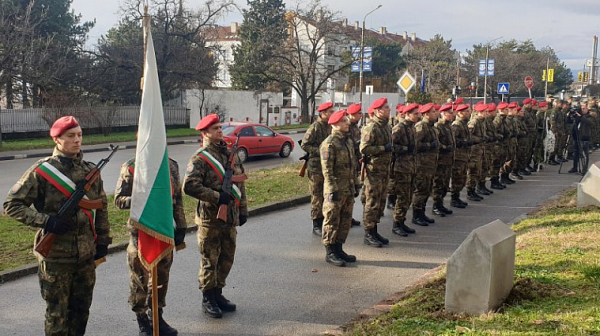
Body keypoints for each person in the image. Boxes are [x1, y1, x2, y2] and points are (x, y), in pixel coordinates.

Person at [4, 116, 111, 336]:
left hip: (85, 255)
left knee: (81, 311)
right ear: (57, 139)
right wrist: (46, 221)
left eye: (79, 135)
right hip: (55, 256)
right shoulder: (42, 171)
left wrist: (102, 240)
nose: (77, 140)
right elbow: (12, 205)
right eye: (70, 136)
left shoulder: (90, 171)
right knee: (57, 315)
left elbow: (101, 207)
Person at [183, 114, 248, 319]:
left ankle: (218, 293)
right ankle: (208, 298)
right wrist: (216, 197)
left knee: (227, 257)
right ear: (205, 133)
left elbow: (240, 183)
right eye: (215, 129)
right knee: (210, 259)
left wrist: (243, 209)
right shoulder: (200, 158)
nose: (220, 131)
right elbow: (190, 186)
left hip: (230, 216)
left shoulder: (230, 154)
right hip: (210, 218)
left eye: (220, 127)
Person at [115, 155, 187, 335]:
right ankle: (142, 321)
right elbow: (119, 200)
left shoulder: (171, 165)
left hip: (164, 230)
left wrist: (181, 225)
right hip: (141, 233)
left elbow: (177, 198)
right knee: (140, 279)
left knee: (162, 276)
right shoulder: (130, 166)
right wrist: (143, 199)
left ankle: (157, 316)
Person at [320, 110, 360, 266]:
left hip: (348, 188)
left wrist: (356, 183)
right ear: (335, 125)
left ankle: (339, 248)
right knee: (332, 220)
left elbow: (353, 165)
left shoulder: (347, 141)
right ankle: (330, 251)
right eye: (344, 121)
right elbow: (327, 170)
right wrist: (331, 190)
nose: (347, 123)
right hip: (336, 189)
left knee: (345, 219)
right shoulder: (329, 144)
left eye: (346, 120)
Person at [360, 97, 392, 247]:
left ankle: (375, 230)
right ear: (378, 111)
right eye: (386, 108)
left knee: (381, 201)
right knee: (372, 202)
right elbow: (364, 149)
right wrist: (382, 149)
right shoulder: (371, 127)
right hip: (374, 171)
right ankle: (368, 233)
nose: (389, 110)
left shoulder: (386, 126)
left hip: (384, 170)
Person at [300, 102, 333, 236]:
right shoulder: (315, 127)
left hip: (326, 167)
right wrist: (320, 151)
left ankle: (324, 220)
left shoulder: (330, 127)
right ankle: (316, 223)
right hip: (315, 167)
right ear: (323, 113)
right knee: (317, 196)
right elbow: (304, 145)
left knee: (325, 195)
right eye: (330, 111)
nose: (332, 113)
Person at [390, 103, 419, 236]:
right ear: (407, 114)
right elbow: (392, 147)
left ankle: (402, 221)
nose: (417, 116)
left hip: (411, 166)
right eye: (415, 113)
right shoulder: (399, 128)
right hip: (401, 168)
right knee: (402, 196)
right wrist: (405, 149)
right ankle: (396, 224)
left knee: (408, 196)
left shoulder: (412, 127)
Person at [412, 103, 440, 225]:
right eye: (433, 112)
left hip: (430, 164)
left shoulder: (432, 127)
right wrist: (429, 145)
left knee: (427, 189)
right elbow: (416, 145)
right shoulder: (421, 127)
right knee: (420, 190)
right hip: (422, 165)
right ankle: (416, 215)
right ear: (426, 114)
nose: (436, 114)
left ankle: (422, 212)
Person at [432, 103, 455, 216]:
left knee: (445, 184)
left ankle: (441, 204)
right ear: (444, 114)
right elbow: (437, 143)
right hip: (440, 160)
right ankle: (436, 206)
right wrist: (445, 147)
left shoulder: (448, 126)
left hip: (448, 160)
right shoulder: (438, 126)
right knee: (438, 184)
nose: (452, 115)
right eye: (450, 113)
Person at [450, 104, 472, 208]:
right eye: (467, 111)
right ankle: (454, 199)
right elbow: (454, 140)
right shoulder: (457, 125)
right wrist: (464, 141)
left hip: (464, 155)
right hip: (458, 156)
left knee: (462, 178)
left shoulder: (464, 124)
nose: (469, 113)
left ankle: (457, 197)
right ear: (460, 113)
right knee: (457, 178)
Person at [346, 103, 363, 227]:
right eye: (358, 113)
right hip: (347, 163)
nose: (361, 115)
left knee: (353, 192)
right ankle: (345, 218)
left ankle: (349, 216)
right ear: (352, 115)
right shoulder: (347, 127)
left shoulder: (355, 127)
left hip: (354, 161)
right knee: (347, 192)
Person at [568, 104, 592, 174]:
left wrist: (581, 117)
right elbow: (570, 122)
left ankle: (584, 169)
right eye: (581, 108)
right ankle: (575, 167)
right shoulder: (578, 117)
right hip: (576, 137)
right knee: (576, 152)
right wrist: (569, 116)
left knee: (584, 153)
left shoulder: (589, 116)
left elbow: (590, 122)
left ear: (587, 109)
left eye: (584, 108)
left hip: (584, 137)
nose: (582, 110)